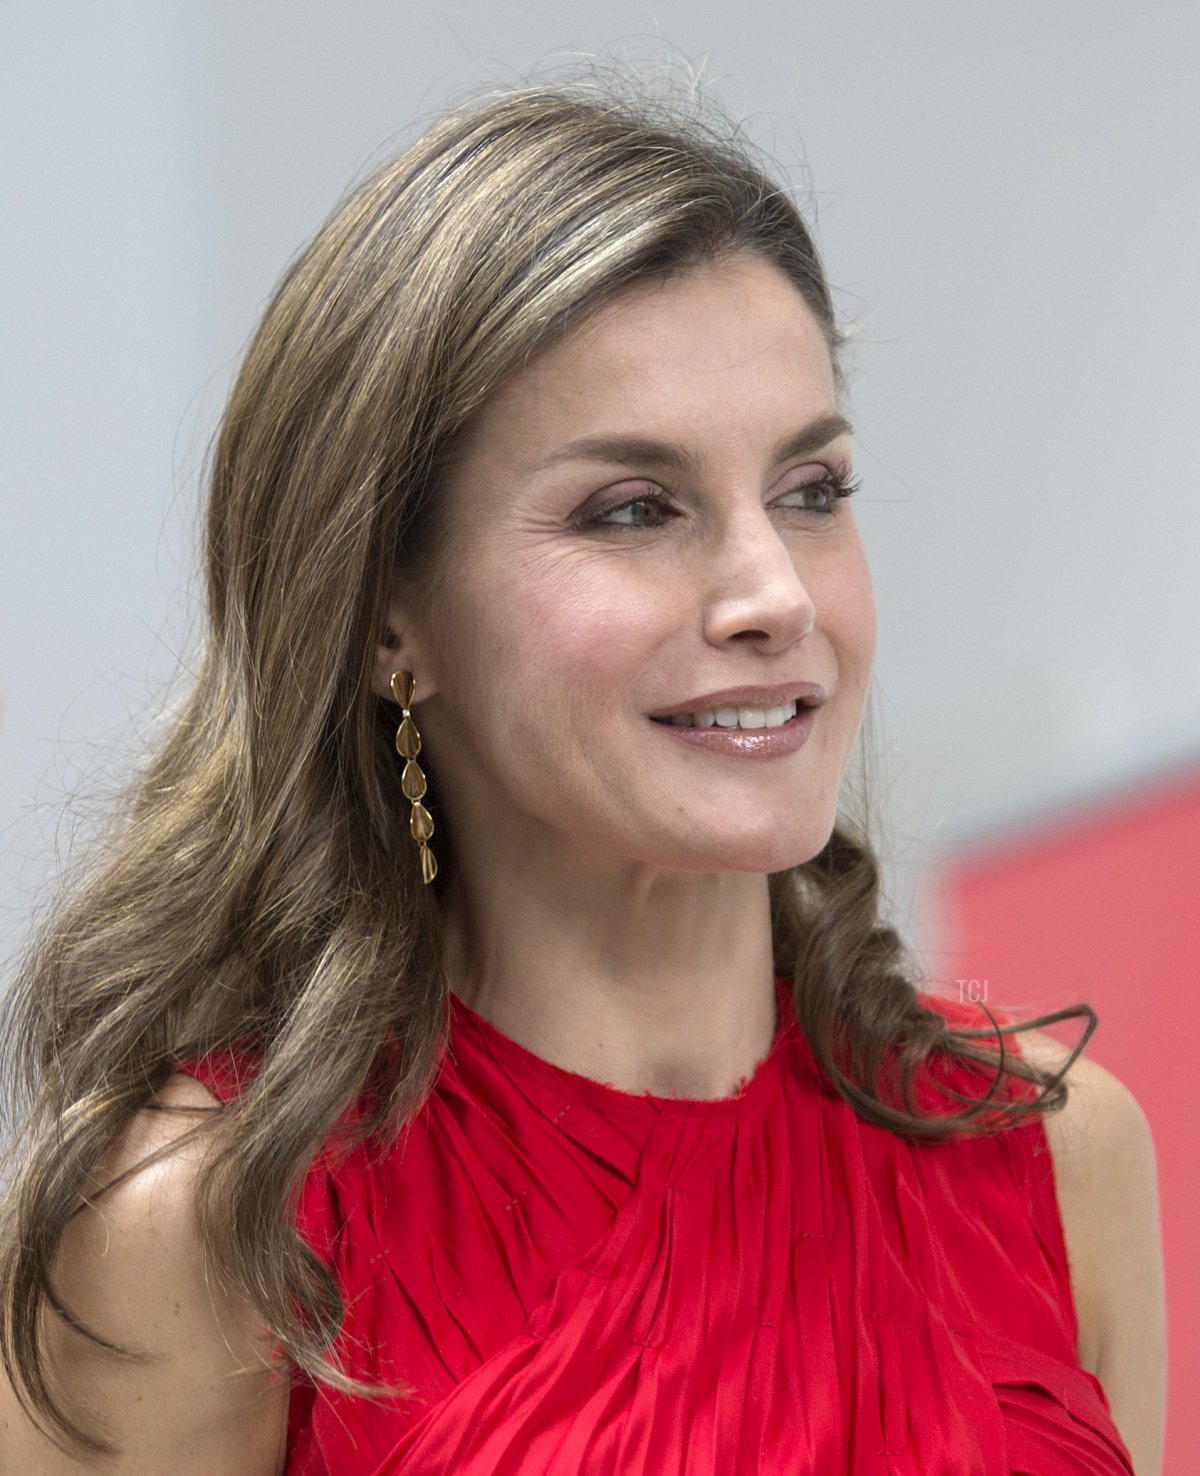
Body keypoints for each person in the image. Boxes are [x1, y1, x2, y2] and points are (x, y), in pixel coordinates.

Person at [0, 69, 1166, 1476]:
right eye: (633, 510)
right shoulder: (200, 1227)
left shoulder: (1055, 1157)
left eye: (811, 491)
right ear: (387, 617)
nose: (776, 593)